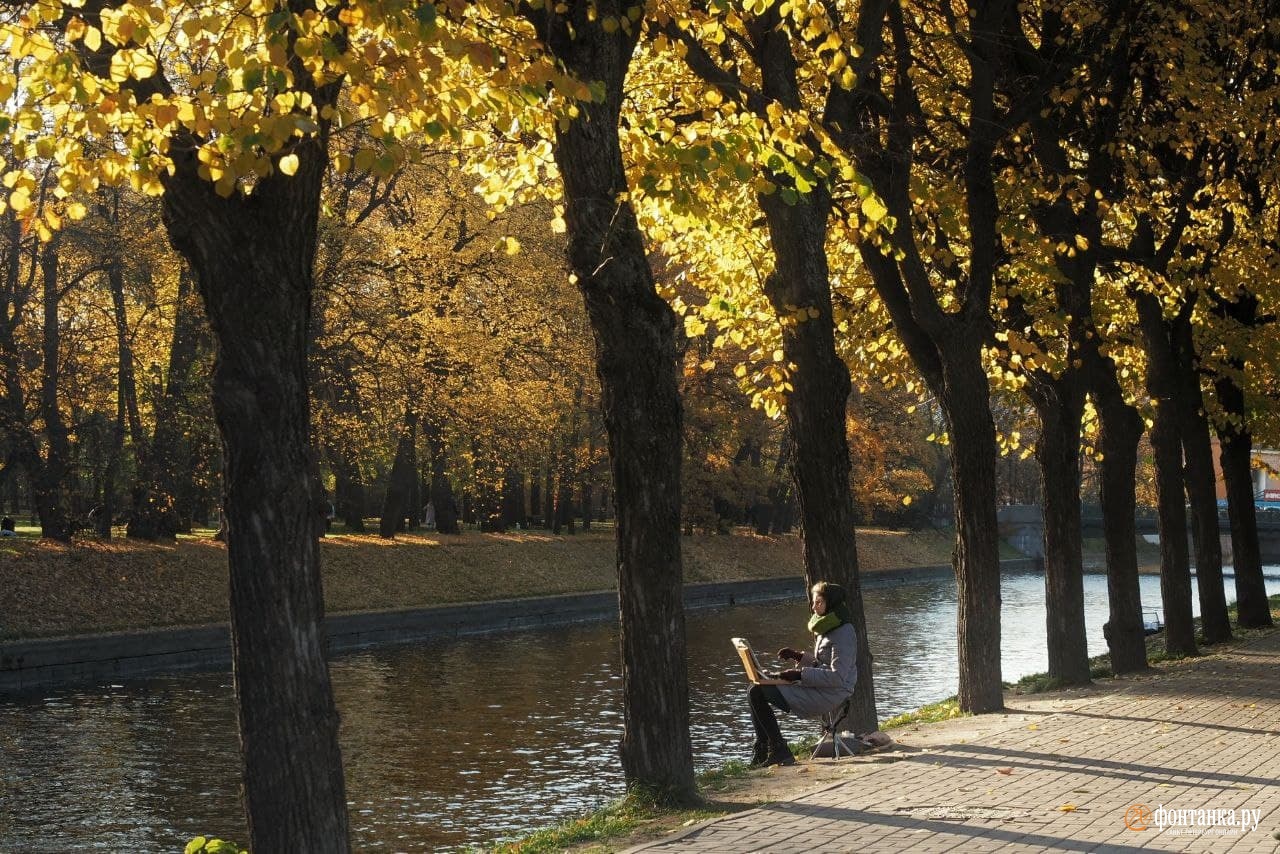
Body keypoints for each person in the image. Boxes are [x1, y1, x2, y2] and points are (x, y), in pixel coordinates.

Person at [746, 580, 859, 767]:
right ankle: (764, 749)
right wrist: (797, 656)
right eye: (813, 602)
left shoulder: (843, 632)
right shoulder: (828, 626)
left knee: (757, 693)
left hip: (833, 692)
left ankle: (779, 750)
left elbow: (837, 677)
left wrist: (799, 675)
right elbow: (821, 664)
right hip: (819, 687)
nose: (813, 606)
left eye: (819, 602)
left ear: (831, 604)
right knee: (754, 687)